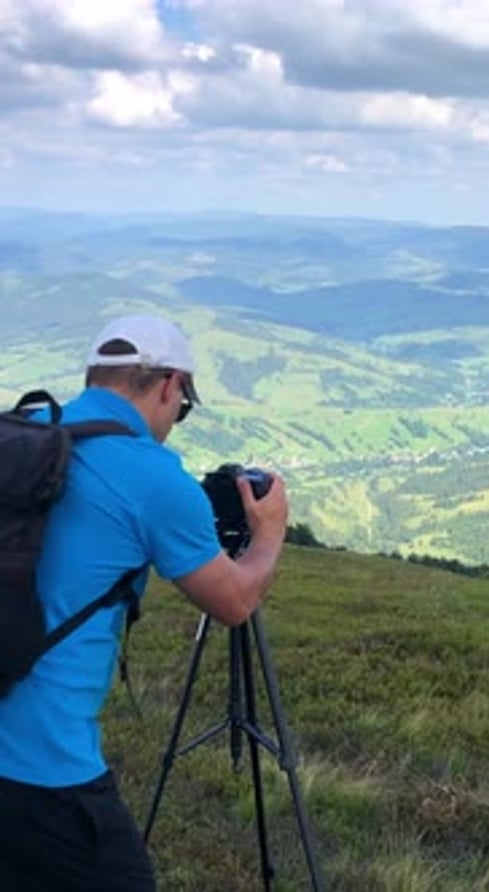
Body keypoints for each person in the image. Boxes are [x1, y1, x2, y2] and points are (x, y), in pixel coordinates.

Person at [0, 313, 288, 892]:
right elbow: (233, 602)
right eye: (182, 407)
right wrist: (269, 532)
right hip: (43, 764)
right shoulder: (153, 477)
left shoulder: (19, 430)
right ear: (170, 387)